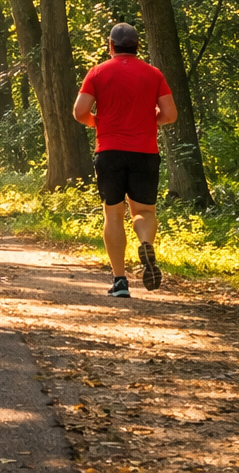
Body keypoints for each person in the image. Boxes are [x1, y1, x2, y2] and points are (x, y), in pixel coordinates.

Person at [73, 22, 178, 298]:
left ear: (111, 46)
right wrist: (149, 121)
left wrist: (98, 123)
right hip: (145, 151)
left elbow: (79, 111)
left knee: (114, 212)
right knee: (145, 212)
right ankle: (145, 242)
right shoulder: (153, 74)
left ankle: (120, 281)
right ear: (137, 46)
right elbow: (170, 114)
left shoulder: (98, 72)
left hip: (109, 151)